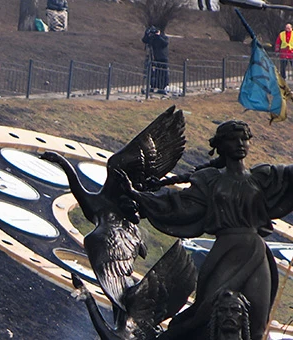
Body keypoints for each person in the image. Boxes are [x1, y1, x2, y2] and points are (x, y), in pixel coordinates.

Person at [123, 120, 293, 340]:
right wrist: (138, 197)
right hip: (225, 250)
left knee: (256, 322)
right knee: (206, 311)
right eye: (233, 139)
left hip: (256, 252)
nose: (240, 143)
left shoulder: (263, 177)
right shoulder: (210, 181)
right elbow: (179, 206)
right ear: (220, 146)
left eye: (244, 138)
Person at [142, 26, 169, 94]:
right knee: (153, 73)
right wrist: (147, 34)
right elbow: (144, 40)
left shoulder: (163, 37)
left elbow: (165, 44)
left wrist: (158, 36)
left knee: (162, 74)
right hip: (154, 58)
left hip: (162, 58)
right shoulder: (153, 38)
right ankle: (153, 86)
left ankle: (162, 88)